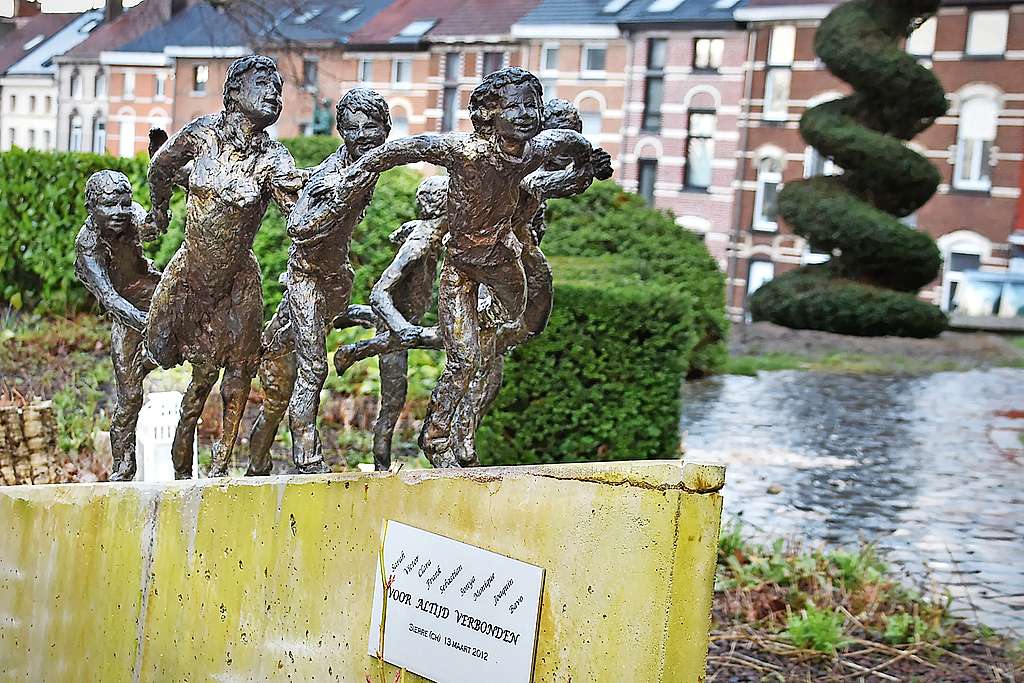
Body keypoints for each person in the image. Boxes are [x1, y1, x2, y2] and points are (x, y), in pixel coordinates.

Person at [325, 67, 598, 467]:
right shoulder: (464, 152)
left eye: (531, 105)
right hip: (459, 268)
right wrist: (356, 175)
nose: (525, 114)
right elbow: (405, 150)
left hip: (503, 264)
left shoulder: (537, 151)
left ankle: (423, 350)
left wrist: (589, 167)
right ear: (488, 114)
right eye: (513, 106)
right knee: (465, 357)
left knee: (514, 322)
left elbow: (574, 148)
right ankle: (435, 439)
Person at [143, 55, 305, 478]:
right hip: (190, 275)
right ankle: (176, 464)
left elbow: (300, 215)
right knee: (174, 365)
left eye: (279, 87)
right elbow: (161, 167)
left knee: (237, 376)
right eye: (262, 83)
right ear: (233, 92)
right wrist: (159, 213)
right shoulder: (201, 134)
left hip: (237, 282)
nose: (274, 92)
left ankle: (220, 466)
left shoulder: (276, 158)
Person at [250, 88, 392, 474]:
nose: (364, 134)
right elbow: (297, 224)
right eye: (354, 127)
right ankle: (306, 459)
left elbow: (419, 149)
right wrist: (340, 195)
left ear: (386, 128)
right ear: (342, 131)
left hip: (336, 279)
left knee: (282, 350)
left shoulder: (372, 161)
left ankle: (272, 343)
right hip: (306, 277)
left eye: (373, 126)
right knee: (311, 367)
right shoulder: (334, 174)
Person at [332, 176, 448, 470]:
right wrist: (401, 327)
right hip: (398, 325)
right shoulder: (418, 244)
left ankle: (352, 319)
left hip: (406, 319)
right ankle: (381, 466)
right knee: (394, 401)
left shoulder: (434, 234)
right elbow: (379, 292)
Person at [74, 170, 161, 481]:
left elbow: (152, 228)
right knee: (129, 397)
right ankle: (123, 468)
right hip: (126, 313)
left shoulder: (130, 215)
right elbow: (110, 299)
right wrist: (147, 325)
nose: (119, 213)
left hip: (153, 292)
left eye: (124, 205)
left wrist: (160, 200)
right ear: (92, 206)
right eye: (110, 206)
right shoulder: (88, 245)